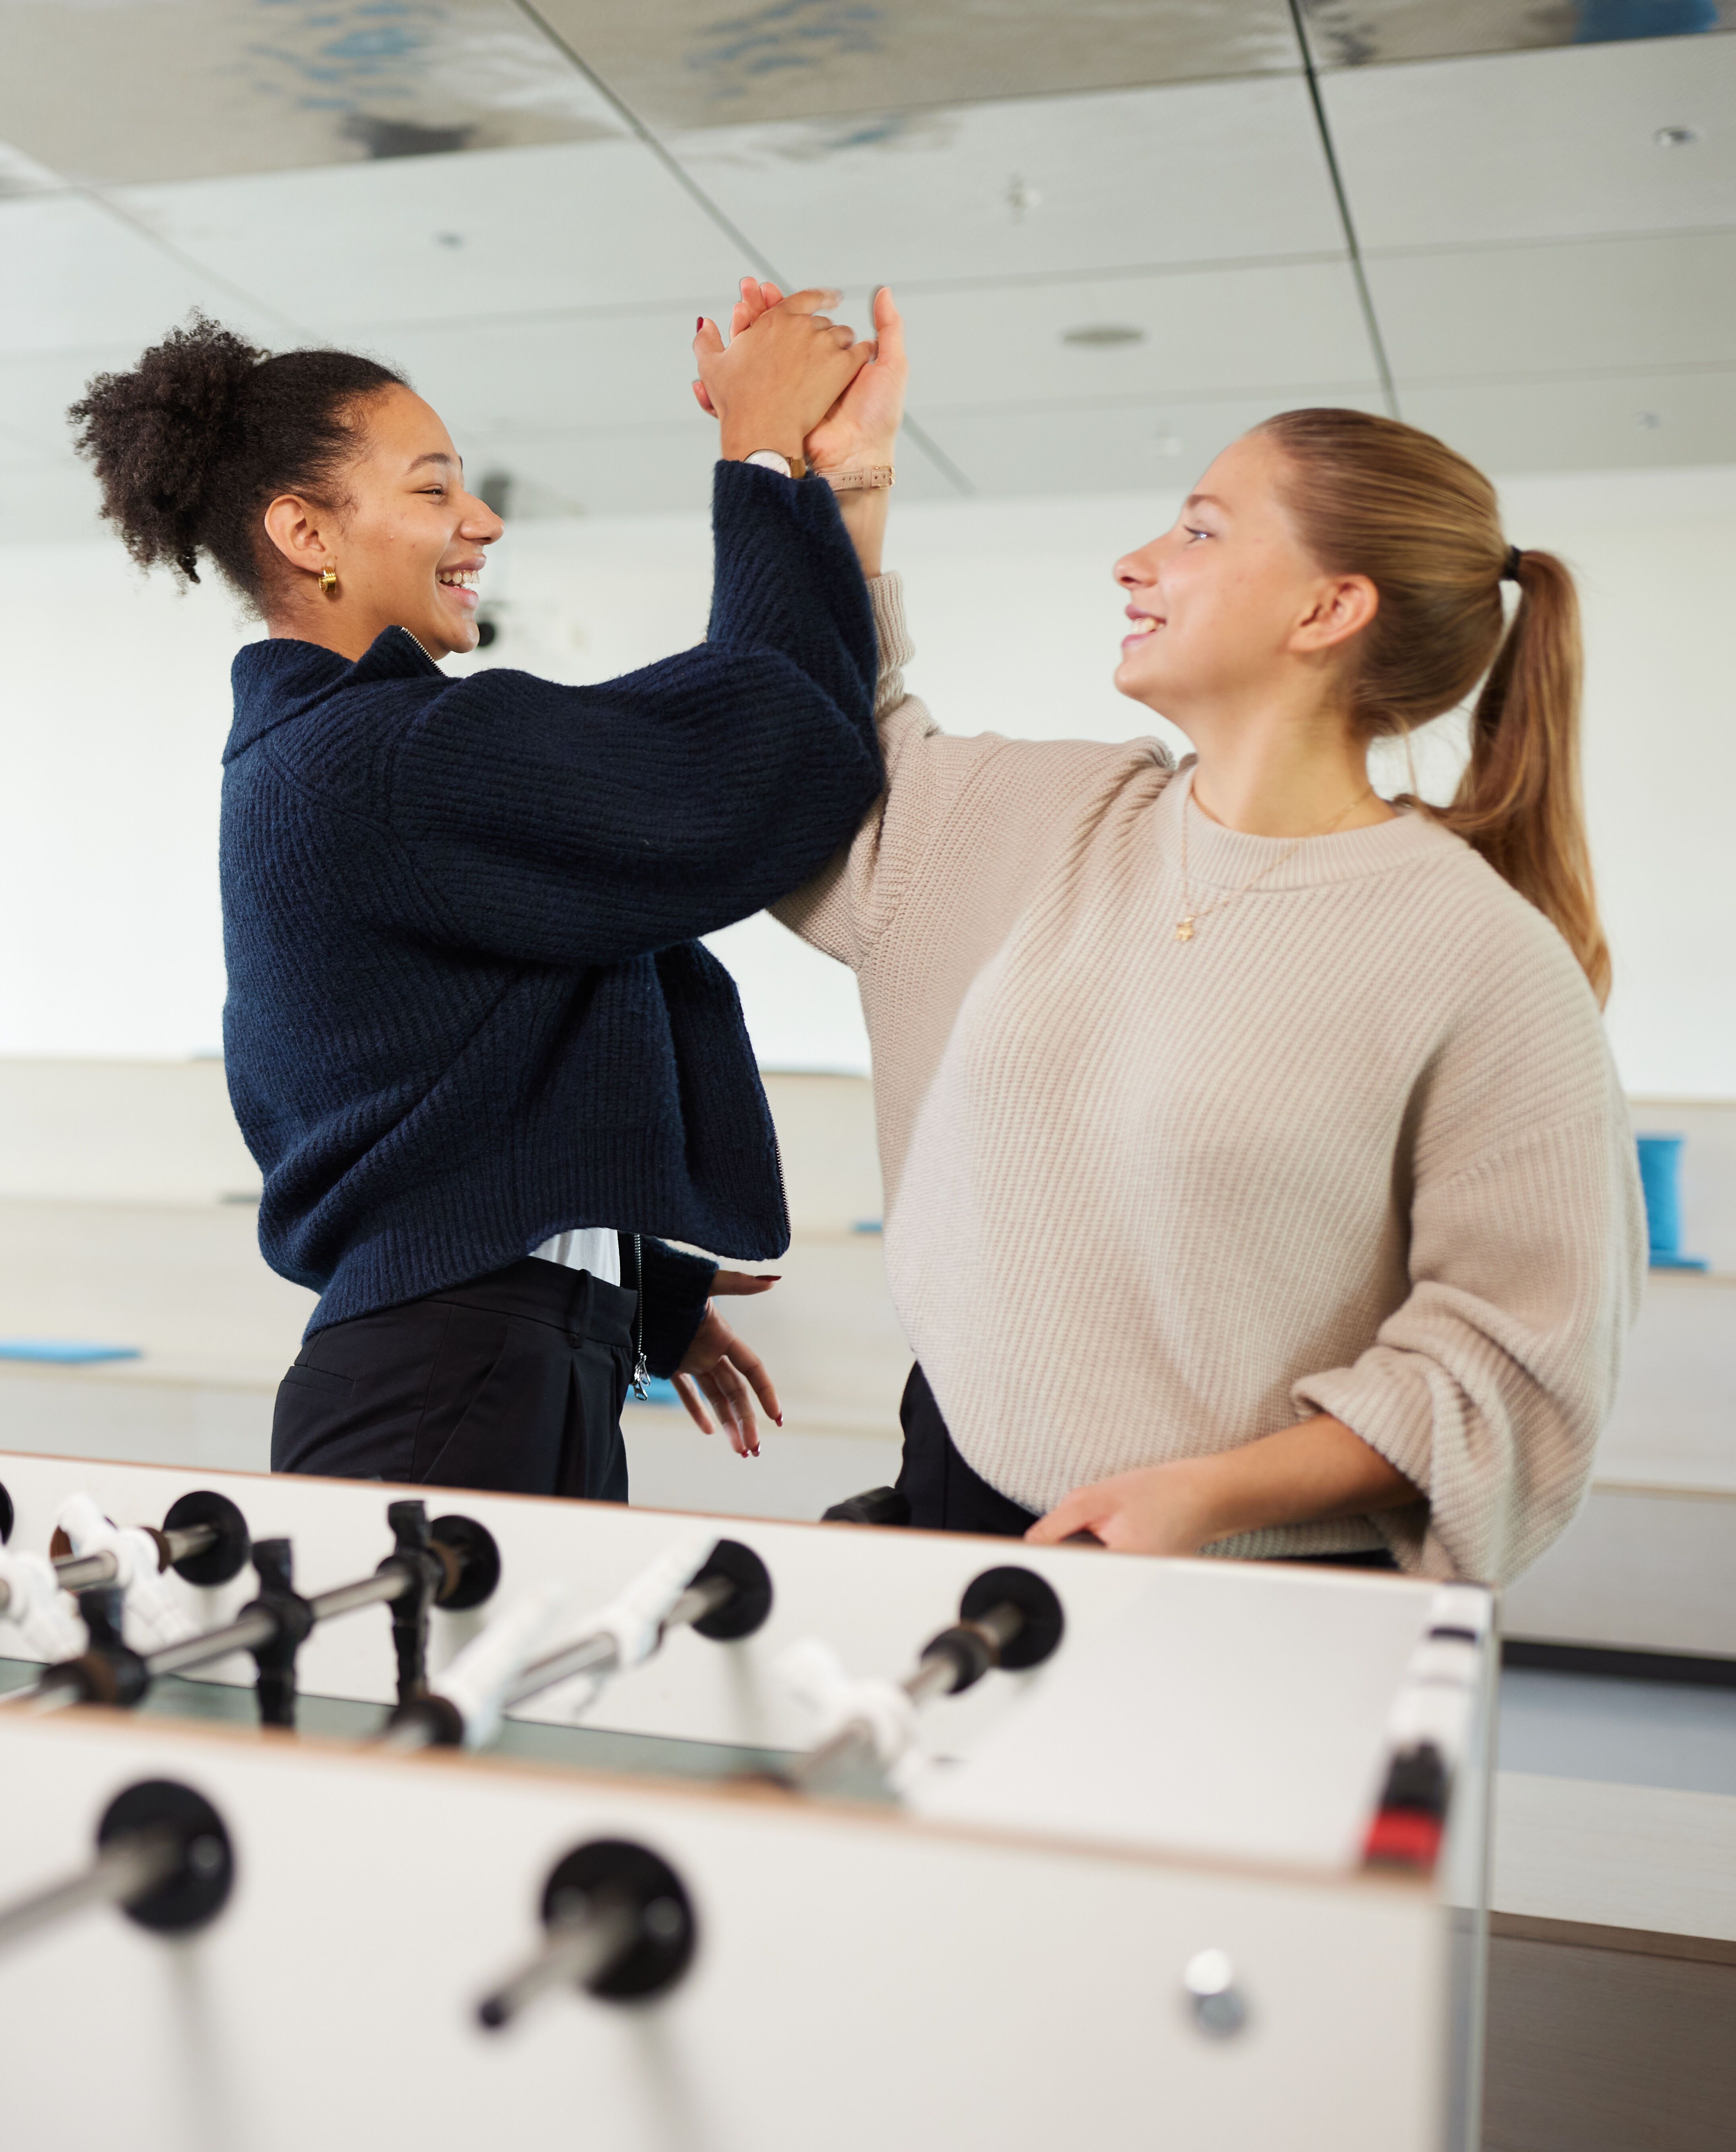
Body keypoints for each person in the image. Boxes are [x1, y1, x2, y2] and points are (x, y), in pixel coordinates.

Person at [726, 282, 1643, 1582]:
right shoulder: (1060, 815)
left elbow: (1511, 1360)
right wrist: (848, 481)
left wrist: (1209, 1496)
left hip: (1247, 1573)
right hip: (958, 1499)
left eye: (1201, 531)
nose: (1137, 560)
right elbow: (829, 760)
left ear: (1328, 610)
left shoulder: (1479, 957)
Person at [70, 290, 893, 1499]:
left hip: (476, 1367)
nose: (483, 519)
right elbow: (763, 765)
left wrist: (616, 1284)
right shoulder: (384, 755)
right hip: (449, 1381)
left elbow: (425, 1081)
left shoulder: (320, 755)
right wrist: (764, 458)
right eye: (433, 489)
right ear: (308, 533)